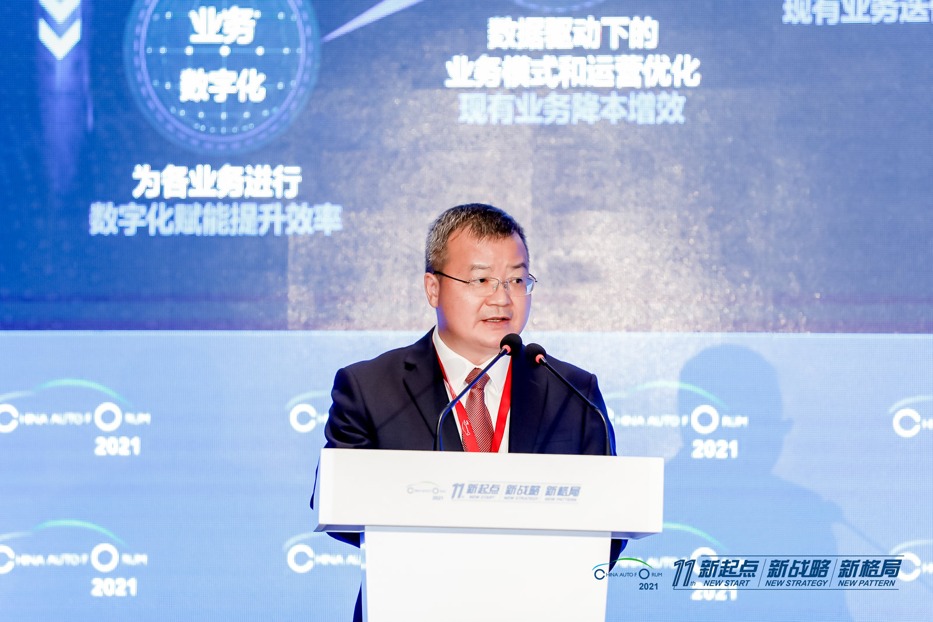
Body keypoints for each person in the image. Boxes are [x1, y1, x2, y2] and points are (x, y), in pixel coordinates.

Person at [317, 203, 619, 620]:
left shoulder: (572, 391)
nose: (502, 298)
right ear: (433, 288)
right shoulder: (370, 387)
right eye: (481, 280)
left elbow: (611, 521)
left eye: (516, 280)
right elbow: (340, 509)